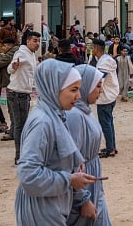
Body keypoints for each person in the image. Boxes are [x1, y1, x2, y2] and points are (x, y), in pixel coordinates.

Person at [15, 59, 96, 225]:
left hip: (53, 204)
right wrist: (69, 179)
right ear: (53, 88)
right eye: (73, 89)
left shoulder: (56, 115)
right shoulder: (42, 122)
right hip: (41, 209)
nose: (79, 96)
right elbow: (28, 175)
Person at [66, 64, 112, 226]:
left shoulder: (84, 110)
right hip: (82, 186)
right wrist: (82, 199)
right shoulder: (74, 115)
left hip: (92, 181)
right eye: (98, 86)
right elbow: (70, 162)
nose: (101, 91)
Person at [7, 31, 40, 164]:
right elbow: (11, 67)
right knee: (20, 126)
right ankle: (19, 156)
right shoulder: (21, 53)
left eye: (38, 41)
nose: (37, 43)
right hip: (16, 93)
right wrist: (13, 67)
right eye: (34, 40)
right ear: (27, 41)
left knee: (22, 125)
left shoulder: (31, 54)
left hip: (24, 93)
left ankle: (23, 154)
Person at [89, 39, 119, 157]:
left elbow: (99, 79)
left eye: (92, 48)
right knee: (109, 122)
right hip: (110, 94)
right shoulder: (105, 59)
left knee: (105, 123)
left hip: (106, 96)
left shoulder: (103, 62)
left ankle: (110, 149)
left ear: (96, 48)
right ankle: (112, 146)